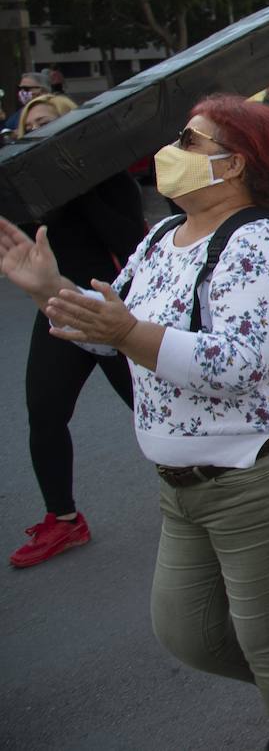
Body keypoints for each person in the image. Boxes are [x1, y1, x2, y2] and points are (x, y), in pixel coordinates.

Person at [0, 96, 269, 750]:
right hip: (180, 487)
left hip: (261, 481)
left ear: (233, 162)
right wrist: (48, 289)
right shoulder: (163, 237)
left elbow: (239, 362)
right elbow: (111, 334)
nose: (172, 151)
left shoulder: (261, 243)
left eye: (189, 140)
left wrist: (130, 331)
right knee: (185, 632)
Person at [7, 94, 146, 569]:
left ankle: (215, 486)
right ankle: (63, 520)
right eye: (30, 129)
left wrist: (78, 185)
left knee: (151, 409)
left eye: (47, 125)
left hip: (110, 308)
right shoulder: (23, 188)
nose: (36, 136)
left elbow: (132, 245)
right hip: (56, 308)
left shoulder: (105, 178)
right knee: (44, 413)